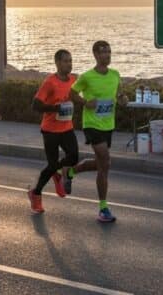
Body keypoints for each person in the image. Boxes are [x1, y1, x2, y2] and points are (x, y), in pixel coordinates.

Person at [66, 40, 128, 223]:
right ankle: (103, 208)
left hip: (108, 125)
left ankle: (70, 172)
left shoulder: (115, 75)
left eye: (109, 52)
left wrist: (123, 99)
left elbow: (119, 94)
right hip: (92, 124)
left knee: (101, 164)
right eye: (103, 52)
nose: (107, 55)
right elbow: (71, 93)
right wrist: (85, 102)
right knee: (105, 160)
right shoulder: (87, 77)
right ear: (95, 55)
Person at [26, 49, 79, 213]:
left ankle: (57, 172)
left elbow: (77, 97)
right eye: (65, 61)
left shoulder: (74, 80)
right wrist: (55, 108)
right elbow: (35, 105)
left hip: (67, 127)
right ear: (57, 63)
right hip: (50, 130)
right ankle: (35, 194)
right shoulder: (50, 82)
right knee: (52, 164)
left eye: (70, 61)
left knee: (74, 156)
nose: (69, 64)